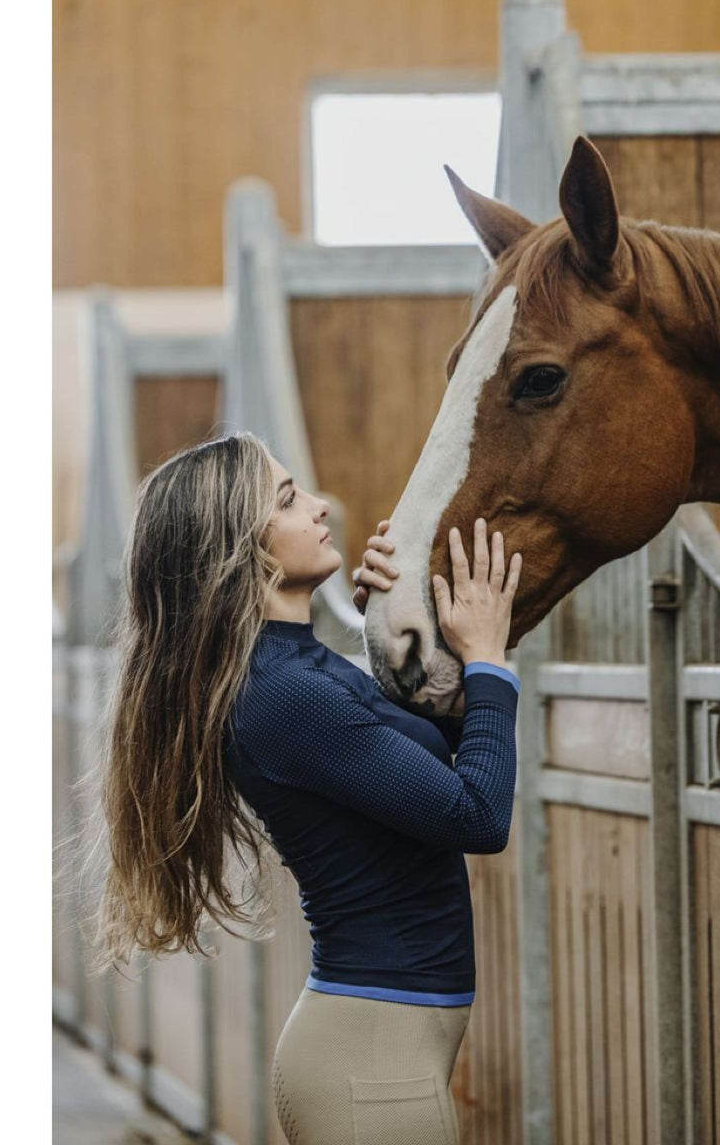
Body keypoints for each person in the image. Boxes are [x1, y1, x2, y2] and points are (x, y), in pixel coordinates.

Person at [92, 431, 521, 1145]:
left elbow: (434, 756)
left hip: (380, 1049)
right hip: (372, 1059)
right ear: (244, 547)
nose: (321, 507)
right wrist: (488, 657)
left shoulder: (299, 670)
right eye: (289, 499)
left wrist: (398, 628)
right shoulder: (287, 694)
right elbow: (476, 813)